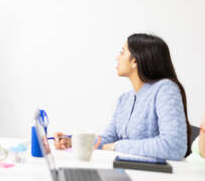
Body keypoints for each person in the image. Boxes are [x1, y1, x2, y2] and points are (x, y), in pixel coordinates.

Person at [54, 33, 190, 161]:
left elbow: (174, 146)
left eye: (122, 52)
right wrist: (73, 141)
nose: (117, 57)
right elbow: (107, 139)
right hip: (128, 170)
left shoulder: (165, 89)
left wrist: (116, 146)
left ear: (135, 61)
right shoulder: (125, 99)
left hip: (156, 179)